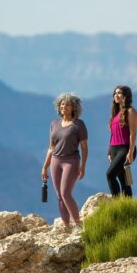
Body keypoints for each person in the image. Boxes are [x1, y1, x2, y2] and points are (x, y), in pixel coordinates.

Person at [42, 92, 88, 228]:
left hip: (71, 161)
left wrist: (83, 166)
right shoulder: (54, 124)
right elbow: (51, 148)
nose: (64, 106)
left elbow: (84, 148)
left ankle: (78, 225)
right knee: (59, 196)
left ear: (74, 108)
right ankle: (67, 226)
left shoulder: (79, 125)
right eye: (62, 104)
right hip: (55, 161)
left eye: (67, 104)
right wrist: (45, 167)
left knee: (65, 193)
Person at [106, 85, 137, 197]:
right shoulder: (115, 113)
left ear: (125, 95)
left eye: (119, 93)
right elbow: (113, 135)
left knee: (109, 174)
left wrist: (130, 152)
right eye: (115, 93)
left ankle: (117, 204)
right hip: (114, 149)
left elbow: (133, 133)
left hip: (125, 149)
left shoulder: (130, 111)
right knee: (125, 181)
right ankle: (127, 207)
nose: (116, 95)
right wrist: (109, 152)